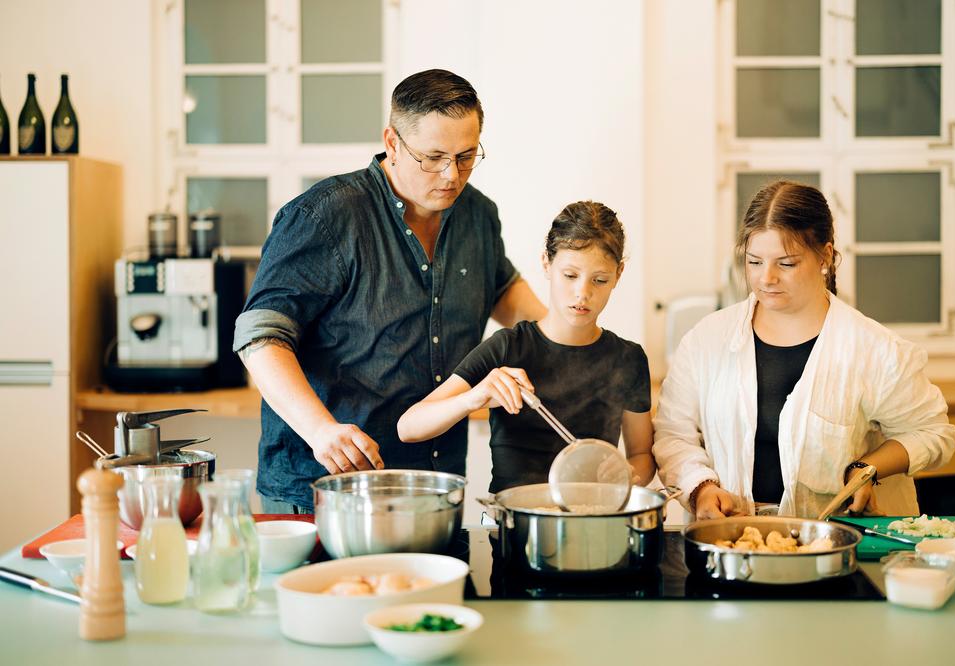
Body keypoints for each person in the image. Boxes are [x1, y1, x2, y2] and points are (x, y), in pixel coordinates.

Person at [233, 69, 546, 513]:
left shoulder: (477, 213)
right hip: (321, 490)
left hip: (434, 487)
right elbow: (259, 337)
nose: (451, 175)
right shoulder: (325, 216)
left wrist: (565, 338)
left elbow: (503, 289)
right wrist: (322, 430)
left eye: (466, 156)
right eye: (433, 157)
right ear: (393, 142)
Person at [653, 181, 955, 519]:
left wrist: (867, 468)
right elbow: (672, 434)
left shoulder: (873, 349)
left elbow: (932, 433)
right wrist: (702, 488)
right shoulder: (706, 341)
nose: (766, 278)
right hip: (728, 542)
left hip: (834, 545)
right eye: (754, 262)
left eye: (786, 264)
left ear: (825, 256)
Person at [397, 201, 655, 492]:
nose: (583, 293)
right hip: (513, 524)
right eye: (570, 276)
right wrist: (475, 397)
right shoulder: (507, 348)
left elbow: (642, 455)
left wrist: (627, 472)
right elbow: (408, 427)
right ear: (546, 263)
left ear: (618, 274)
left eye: (600, 280)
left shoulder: (627, 359)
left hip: (592, 520)